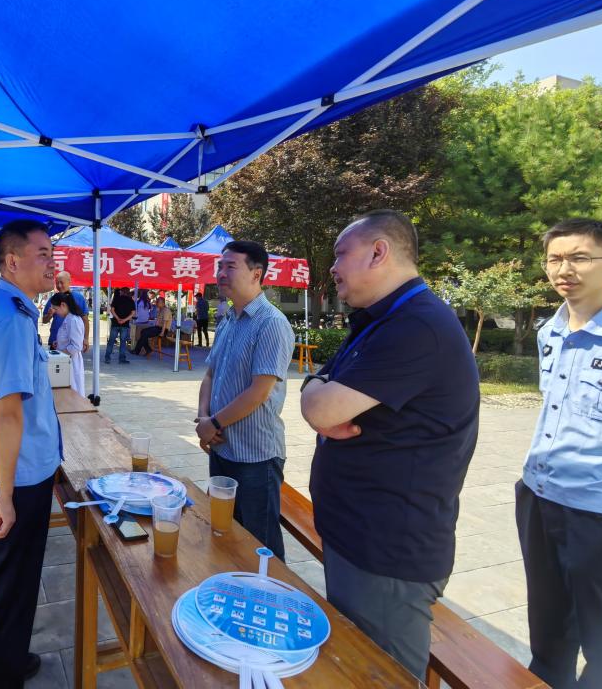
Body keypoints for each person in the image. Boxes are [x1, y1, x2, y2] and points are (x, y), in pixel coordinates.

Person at [300, 209, 478, 681]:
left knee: (382, 675)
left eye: (341, 254)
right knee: (354, 666)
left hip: (386, 551)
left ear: (379, 252)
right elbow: (318, 388)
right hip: (358, 536)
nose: (332, 267)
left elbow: (320, 408)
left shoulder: (416, 326)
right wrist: (317, 390)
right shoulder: (381, 320)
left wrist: (318, 395)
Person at [516, 218, 602, 689]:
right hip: (539, 498)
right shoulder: (551, 332)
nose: (565, 269)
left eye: (580, 257)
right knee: (548, 636)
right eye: (555, 259)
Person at [0, 219, 62, 688]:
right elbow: (8, 413)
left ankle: (7, 659)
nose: (52, 263)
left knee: (17, 576)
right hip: (16, 478)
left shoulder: (9, 310)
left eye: (52, 254)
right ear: (11, 261)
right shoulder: (10, 319)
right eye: (42, 254)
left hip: (11, 470)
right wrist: (5, 496)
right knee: (4, 580)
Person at [194, 241, 294, 559]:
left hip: (255, 456)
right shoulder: (228, 320)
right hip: (222, 448)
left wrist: (214, 422)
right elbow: (210, 375)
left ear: (256, 273)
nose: (221, 273)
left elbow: (258, 392)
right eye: (219, 266)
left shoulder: (271, 323)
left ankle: (271, 590)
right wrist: (203, 419)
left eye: (230, 266)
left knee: (261, 547)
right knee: (226, 533)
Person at [41, 271, 88, 351]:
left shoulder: (78, 298)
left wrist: (85, 338)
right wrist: (49, 315)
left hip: (71, 343)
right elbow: (44, 320)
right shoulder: (54, 298)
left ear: (69, 282)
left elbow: (85, 320)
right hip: (55, 341)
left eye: (62, 282)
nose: (59, 285)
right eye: (57, 283)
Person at [53, 292, 86, 396]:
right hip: (66, 361)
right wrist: (59, 343)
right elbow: (68, 338)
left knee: (73, 393)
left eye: (55, 309)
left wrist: (59, 354)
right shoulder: (68, 318)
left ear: (63, 305)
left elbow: (76, 346)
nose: (55, 312)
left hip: (71, 362)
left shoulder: (73, 320)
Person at [105, 287, 135, 364]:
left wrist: (118, 318)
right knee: (123, 342)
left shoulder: (116, 299)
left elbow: (112, 310)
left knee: (111, 341)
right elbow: (133, 313)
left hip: (115, 323)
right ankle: (122, 359)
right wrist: (124, 320)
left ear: (121, 292)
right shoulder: (131, 301)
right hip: (125, 324)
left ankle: (107, 358)